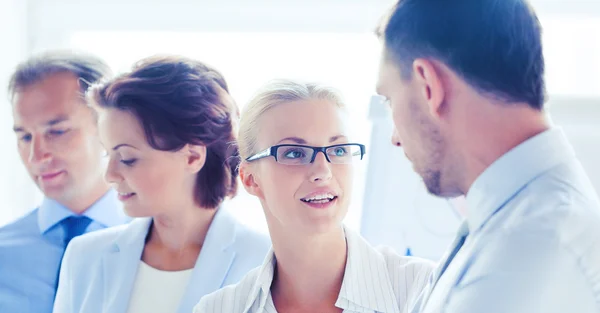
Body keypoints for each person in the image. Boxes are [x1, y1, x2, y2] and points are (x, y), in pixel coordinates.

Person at [375, 0, 600, 312]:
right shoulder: (508, 221)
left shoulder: (533, 247)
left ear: (429, 86)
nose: (395, 138)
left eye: (389, 99)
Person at [52, 56, 271, 313]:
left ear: (192, 157)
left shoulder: (266, 263)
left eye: (127, 158)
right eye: (106, 154)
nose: (110, 174)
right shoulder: (84, 256)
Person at [194, 80, 434, 313]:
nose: (323, 171)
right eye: (294, 153)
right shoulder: (217, 309)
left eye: (338, 150)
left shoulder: (424, 289)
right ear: (250, 179)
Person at [0, 51, 130, 313]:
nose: (37, 156)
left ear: (106, 127)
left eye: (57, 132)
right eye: (25, 137)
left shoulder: (159, 248)